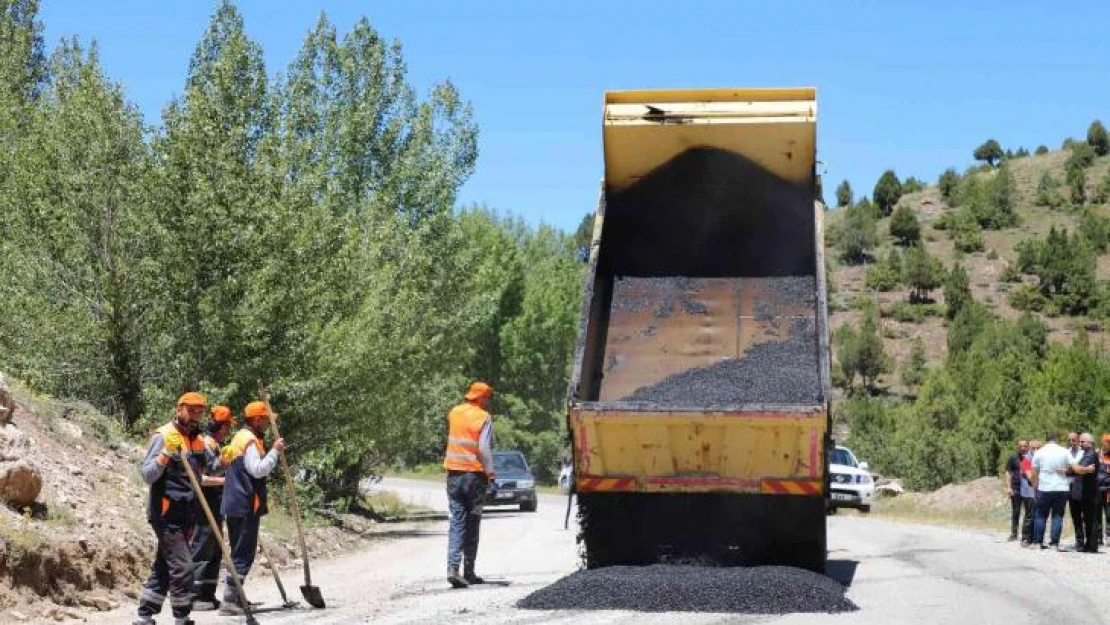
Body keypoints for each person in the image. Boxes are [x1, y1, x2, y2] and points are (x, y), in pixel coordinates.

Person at [134, 392, 210, 625]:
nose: (196, 415)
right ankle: (181, 617)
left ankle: (145, 614)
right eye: (192, 410)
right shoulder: (163, 435)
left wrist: (225, 460)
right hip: (166, 513)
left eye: (200, 411)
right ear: (179, 409)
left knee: (165, 564)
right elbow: (147, 475)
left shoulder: (197, 441)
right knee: (183, 566)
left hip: (188, 513)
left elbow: (204, 473)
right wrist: (166, 454)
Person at [218, 400, 284, 615]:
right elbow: (257, 470)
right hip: (244, 503)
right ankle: (230, 600)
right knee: (243, 553)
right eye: (266, 419)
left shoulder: (241, 436)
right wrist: (275, 452)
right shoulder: (249, 440)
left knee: (240, 551)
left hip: (237, 502)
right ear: (257, 419)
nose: (267, 423)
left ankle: (236, 597)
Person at [443, 381, 495, 589]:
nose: (487, 402)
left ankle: (452, 568)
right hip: (474, 477)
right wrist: (490, 473)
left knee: (457, 521)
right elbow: (483, 448)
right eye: (487, 398)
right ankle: (469, 571)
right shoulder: (484, 417)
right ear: (480, 398)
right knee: (473, 522)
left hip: (454, 475)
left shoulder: (454, 412)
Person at [190, 404, 235, 611]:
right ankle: (195, 596)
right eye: (227, 426)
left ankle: (208, 594)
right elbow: (202, 478)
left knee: (215, 550)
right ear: (221, 426)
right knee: (201, 548)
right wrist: (226, 479)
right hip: (203, 505)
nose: (229, 431)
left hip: (217, 505)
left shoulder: (217, 445)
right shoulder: (205, 445)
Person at [1031, 432, 1071, 551]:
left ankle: (1038, 542)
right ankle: (1054, 544)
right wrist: (1066, 470)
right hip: (1061, 487)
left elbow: (1034, 473)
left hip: (1044, 487)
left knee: (1041, 516)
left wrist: (1035, 487)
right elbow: (1073, 466)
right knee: (1057, 516)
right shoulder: (1064, 451)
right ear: (1056, 439)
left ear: (1046, 439)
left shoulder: (1039, 452)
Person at [1069, 433, 1100, 553]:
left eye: (1082, 442)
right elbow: (1077, 470)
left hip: (1088, 493)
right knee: (1086, 519)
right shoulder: (1086, 454)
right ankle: (1087, 544)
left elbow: (1080, 468)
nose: (1079, 443)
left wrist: (1072, 466)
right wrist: (1070, 469)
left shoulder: (1091, 454)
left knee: (1090, 520)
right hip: (1083, 492)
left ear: (1090, 443)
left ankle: (1092, 546)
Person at [1004, 439, 1029, 541]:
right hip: (1016, 488)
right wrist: (1009, 487)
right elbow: (1007, 472)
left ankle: (1026, 535)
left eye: (1024, 446)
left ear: (1027, 447)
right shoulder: (1013, 458)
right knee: (1016, 511)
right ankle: (1014, 534)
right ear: (1018, 447)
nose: (1022, 448)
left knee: (1029, 512)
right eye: (1020, 446)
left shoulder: (1031, 458)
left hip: (1028, 488)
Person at [1065, 431, 1086, 550]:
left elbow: (1080, 469)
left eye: (1073, 440)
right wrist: (1074, 469)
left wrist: (1071, 469)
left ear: (1078, 440)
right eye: (1069, 440)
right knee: (1075, 514)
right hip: (1068, 485)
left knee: (1084, 514)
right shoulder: (1065, 452)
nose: (1071, 442)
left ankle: (1091, 540)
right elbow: (1066, 468)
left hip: (1081, 486)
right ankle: (1079, 541)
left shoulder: (1083, 453)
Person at [1019, 440, 1038, 546]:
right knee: (1030, 515)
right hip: (1029, 492)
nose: (1036, 450)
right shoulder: (1026, 459)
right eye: (1034, 448)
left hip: (1037, 492)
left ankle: (1035, 538)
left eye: (1038, 448)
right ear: (1030, 448)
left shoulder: (1039, 458)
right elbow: (1030, 477)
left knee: (1037, 515)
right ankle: (1025, 538)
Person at [1098, 434, 1110, 546]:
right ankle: (1098, 538)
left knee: (1109, 514)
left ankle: (1109, 535)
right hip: (1097, 489)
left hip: (1108, 490)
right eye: (1107, 442)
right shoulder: (1097, 454)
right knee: (1097, 514)